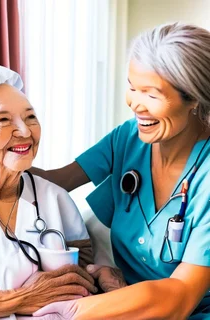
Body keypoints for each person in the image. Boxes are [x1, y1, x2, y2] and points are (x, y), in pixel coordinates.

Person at [31, 22, 210, 319]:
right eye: (131, 87)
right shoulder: (128, 138)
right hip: (122, 300)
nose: (136, 105)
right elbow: (55, 181)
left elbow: (181, 295)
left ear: (193, 99)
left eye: (151, 95)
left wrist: (78, 309)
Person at [0, 64, 98, 320]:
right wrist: (22, 299)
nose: (24, 131)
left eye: (30, 117)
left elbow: (85, 278)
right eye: (3, 119)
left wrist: (101, 275)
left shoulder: (56, 198)